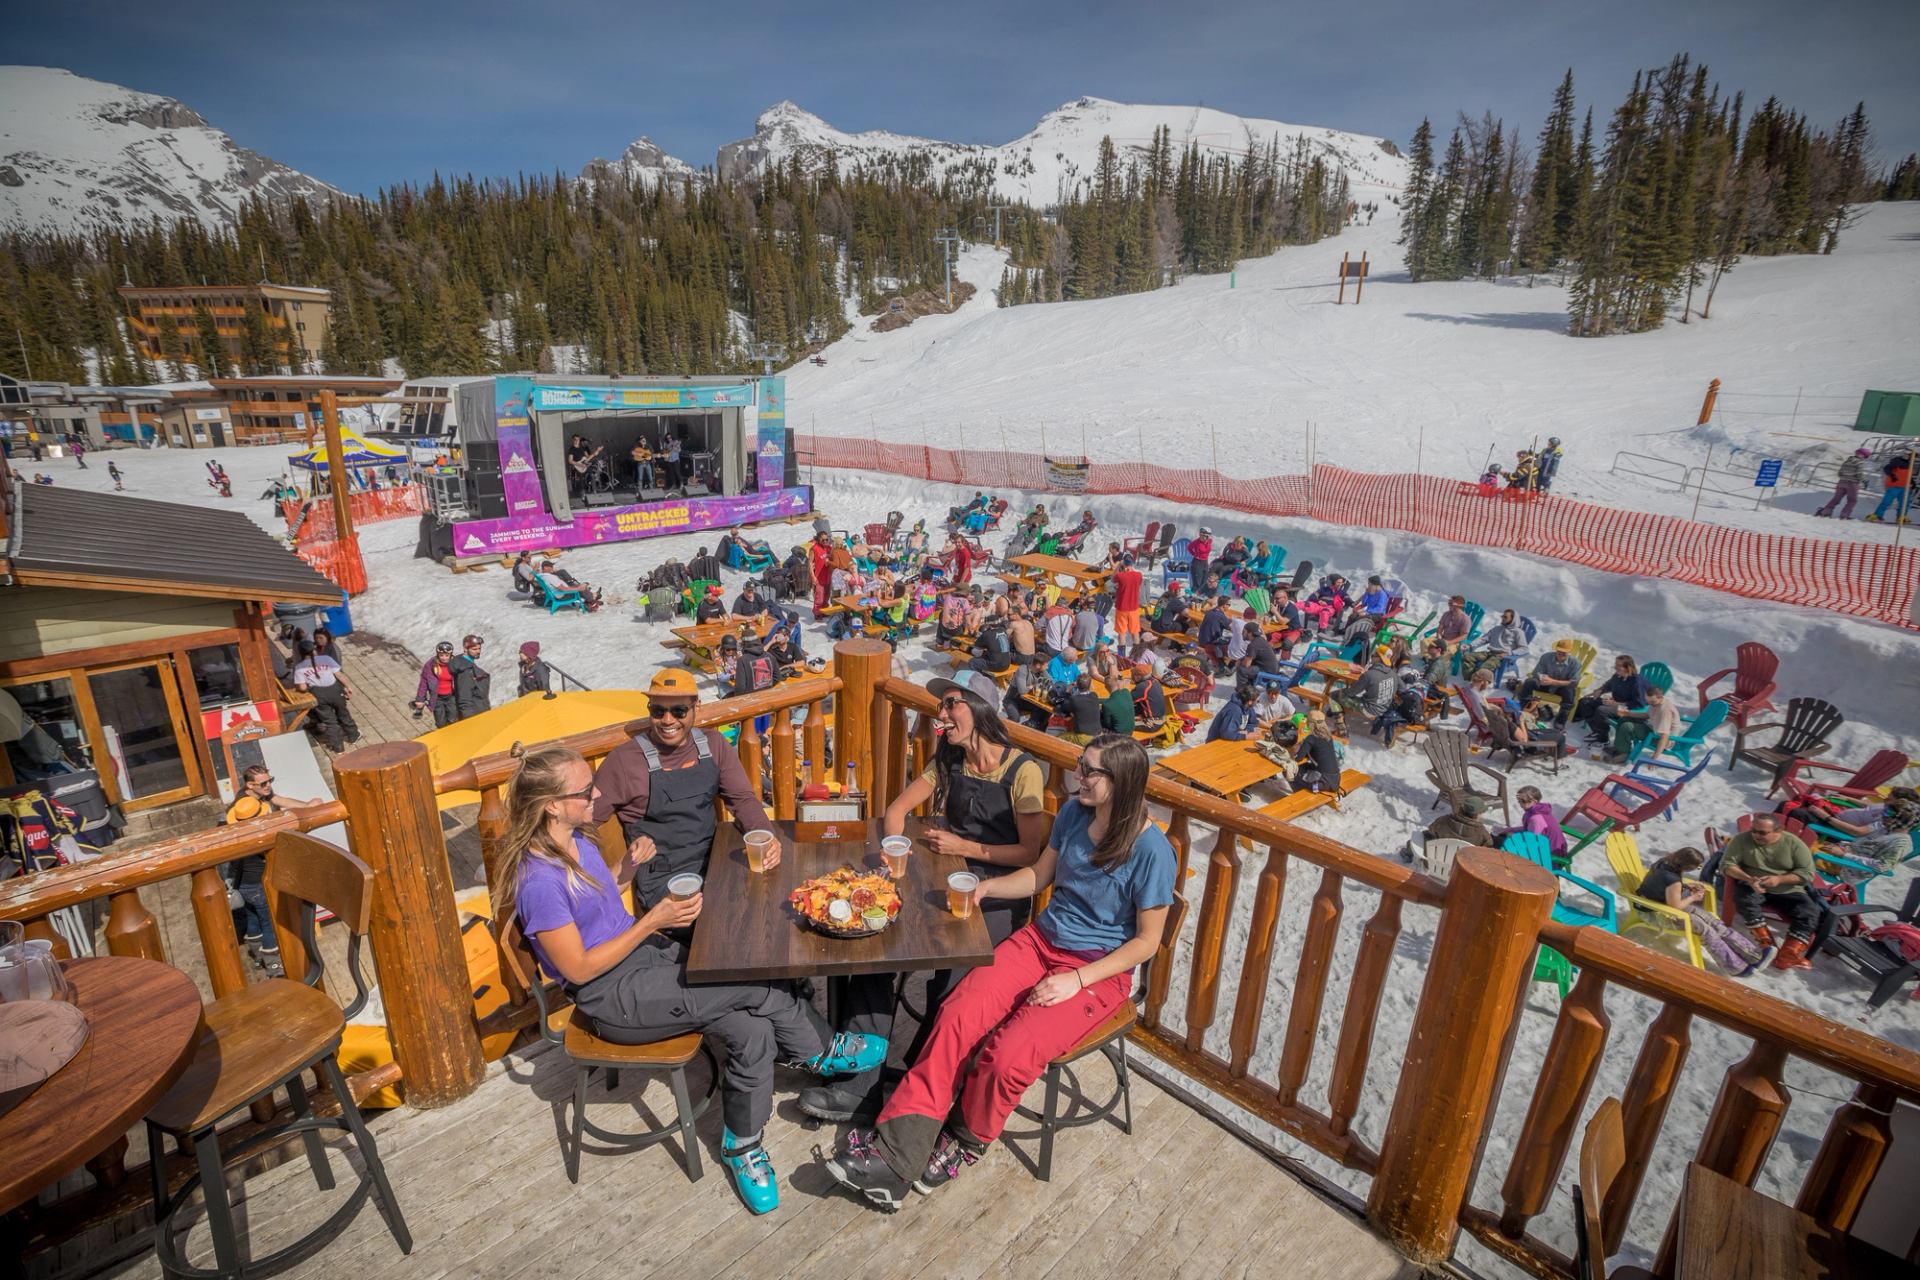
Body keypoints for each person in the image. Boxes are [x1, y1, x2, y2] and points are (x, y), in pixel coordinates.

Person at [503, 745, 881, 1213]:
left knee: (753, 1027)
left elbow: (597, 901)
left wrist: (629, 868)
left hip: (642, 959)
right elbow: (578, 969)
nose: (597, 794)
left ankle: (741, 1144)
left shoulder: (576, 841)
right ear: (551, 805)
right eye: (585, 790)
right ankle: (820, 1052)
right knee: (756, 982)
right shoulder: (539, 880)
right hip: (612, 995)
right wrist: (651, 921)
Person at [827, 735, 1174, 1208]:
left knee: (1007, 1055)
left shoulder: (1152, 850)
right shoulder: (1075, 814)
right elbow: (1038, 876)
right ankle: (895, 1154)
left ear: (1123, 783)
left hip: (1097, 972)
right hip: (1041, 941)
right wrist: (987, 890)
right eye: (1080, 763)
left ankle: (964, 1140)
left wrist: (1075, 980)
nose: (1078, 775)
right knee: (957, 1015)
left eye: (1090, 771)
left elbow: (1146, 942)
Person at [803, 681, 1050, 1124]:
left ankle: (915, 1085)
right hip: (943, 875)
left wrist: (964, 847)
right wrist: (894, 848)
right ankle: (862, 1075)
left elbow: (1030, 853)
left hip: (998, 890)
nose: (941, 714)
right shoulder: (950, 756)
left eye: (951, 704)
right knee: (877, 946)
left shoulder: (1022, 771)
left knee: (951, 981)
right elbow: (896, 810)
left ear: (980, 709)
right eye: (941, 705)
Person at [590, 668, 775, 910]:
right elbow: (583, 823)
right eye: (658, 711)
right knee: (732, 920)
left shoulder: (713, 744)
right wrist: (593, 880)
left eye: (679, 710)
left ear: (696, 707)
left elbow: (742, 799)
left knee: (771, 898)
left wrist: (766, 837)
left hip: (715, 862)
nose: (668, 720)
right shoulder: (625, 761)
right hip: (664, 880)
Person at [224, 764, 325, 974]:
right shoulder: (254, 814)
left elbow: (282, 801)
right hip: (258, 880)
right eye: (263, 783)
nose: (268, 786)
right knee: (269, 921)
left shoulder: (249, 803)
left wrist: (307, 805)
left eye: (270, 780)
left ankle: (257, 953)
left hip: (243, 880)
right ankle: (274, 964)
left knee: (252, 917)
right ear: (249, 785)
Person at [1635, 847, 1766, 973]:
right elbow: (1674, 907)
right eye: (1697, 867)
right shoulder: (1673, 880)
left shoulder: (1665, 862)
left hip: (1660, 905)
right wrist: (1694, 897)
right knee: (1706, 930)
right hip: (1655, 913)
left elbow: (1662, 885)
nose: (1698, 869)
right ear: (1687, 867)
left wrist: (1685, 885)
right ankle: (1735, 967)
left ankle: (1752, 954)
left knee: (1711, 920)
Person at [1718, 813, 1821, 968]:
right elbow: (1726, 865)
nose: (1756, 835)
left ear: (1778, 831)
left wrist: (1779, 879)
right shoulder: (1741, 839)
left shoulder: (1794, 844)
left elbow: (1807, 873)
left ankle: (1789, 954)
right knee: (1745, 900)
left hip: (1787, 888)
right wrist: (1748, 878)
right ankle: (1766, 943)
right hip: (1753, 883)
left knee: (1810, 912)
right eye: (1754, 830)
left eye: (1762, 832)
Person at [291, 639, 360, 752]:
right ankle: (354, 736)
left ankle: (338, 747)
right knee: (343, 714)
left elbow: (302, 688)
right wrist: (348, 686)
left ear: (301, 653)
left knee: (329, 721)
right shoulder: (326, 659)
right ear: (314, 650)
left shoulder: (299, 667)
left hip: (318, 694)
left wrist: (303, 687)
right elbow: (339, 675)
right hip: (335, 691)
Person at [1578, 655, 1647, 748]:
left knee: (1602, 710)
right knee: (1585, 702)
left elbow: (1639, 704)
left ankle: (1603, 739)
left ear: (1628, 667)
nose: (1616, 667)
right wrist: (1600, 690)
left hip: (1629, 710)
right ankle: (1598, 731)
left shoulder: (1637, 683)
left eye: (1619, 666)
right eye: (1616, 665)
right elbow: (1608, 685)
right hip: (1614, 703)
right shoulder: (1618, 676)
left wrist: (1617, 704)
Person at [1607, 682, 1680, 763]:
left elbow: (1664, 736)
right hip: (1653, 729)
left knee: (1627, 727)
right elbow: (1647, 715)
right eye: (1647, 701)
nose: (1649, 704)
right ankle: (1620, 747)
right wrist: (1628, 713)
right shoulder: (1657, 703)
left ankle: (1624, 754)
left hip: (1659, 740)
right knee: (1623, 719)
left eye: (1652, 702)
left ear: (1660, 697)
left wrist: (1655, 757)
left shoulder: (1664, 711)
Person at [1518, 638, 1582, 726]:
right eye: (1559, 651)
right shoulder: (1546, 657)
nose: (1561, 654)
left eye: (1564, 652)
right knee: (1530, 682)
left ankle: (1561, 719)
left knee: (1570, 691)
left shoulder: (1575, 663)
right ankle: (1525, 706)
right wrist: (1542, 678)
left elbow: (1574, 682)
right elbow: (1537, 672)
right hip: (1545, 684)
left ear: (1570, 651)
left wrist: (1553, 682)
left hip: (1560, 688)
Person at [1498, 785, 1568, 864]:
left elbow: (1532, 841)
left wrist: (1512, 835)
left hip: (1550, 855)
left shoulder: (1536, 819)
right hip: (1547, 847)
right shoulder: (1537, 811)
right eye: (1519, 801)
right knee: (1502, 838)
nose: (1520, 804)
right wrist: (1509, 830)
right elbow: (1528, 829)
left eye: (1524, 801)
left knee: (1502, 842)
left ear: (1534, 801)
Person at [412, 640, 463, 725]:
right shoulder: (431, 665)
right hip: (437, 698)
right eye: (441, 655)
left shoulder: (456, 665)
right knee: (440, 723)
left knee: (453, 720)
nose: (444, 658)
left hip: (451, 697)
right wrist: (420, 699)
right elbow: (423, 682)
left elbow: (463, 680)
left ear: (450, 655)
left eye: (447, 655)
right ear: (437, 654)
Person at [1816, 449, 1871, 519]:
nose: (1865, 458)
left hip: (1841, 482)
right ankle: (1844, 515)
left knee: (1836, 498)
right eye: (1865, 457)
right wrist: (1865, 481)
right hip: (1852, 484)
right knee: (1852, 500)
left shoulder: (1847, 461)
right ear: (1862, 455)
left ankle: (1826, 512)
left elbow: (1840, 473)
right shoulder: (1859, 463)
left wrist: (1845, 477)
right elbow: (1859, 474)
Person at [451, 634, 492, 719]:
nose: (478, 651)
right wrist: (471, 722)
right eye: (474, 649)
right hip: (476, 716)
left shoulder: (466, 665)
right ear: (465, 649)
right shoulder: (466, 671)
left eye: (479, 648)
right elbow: (464, 699)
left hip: (480, 713)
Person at [1865, 451, 1912, 523]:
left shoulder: (1910, 464)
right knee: (1887, 501)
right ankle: (1877, 515)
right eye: (1907, 455)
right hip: (1894, 486)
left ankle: (1901, 516)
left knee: (1905, 502)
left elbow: (1907, 475)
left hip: (1904, 486)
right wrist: (1892, 475)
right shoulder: (1896, 461)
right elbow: (1886, 468)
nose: (1908, 456)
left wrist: (1912, 481)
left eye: (1909, 455)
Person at [1062, 672, 1104, 743]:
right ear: (1090, 685)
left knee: (1058, 738)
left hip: (1084, 738)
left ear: (1077, 685)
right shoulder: (1094, 696)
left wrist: (1067, 691)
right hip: (1099, 735)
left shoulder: (1074, 699)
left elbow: (1065, 707)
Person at [809, 531, 833, 617]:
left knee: (827, 595)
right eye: (823, 540)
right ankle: (817, 613)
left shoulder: (829, 548)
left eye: (827, 539)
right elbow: (810, 564)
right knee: (819, 597)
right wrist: (813, 576)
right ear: (819, 539)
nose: (825, 541)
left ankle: (825, 610)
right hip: (819, 577)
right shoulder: (814, 549)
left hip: (828, 576)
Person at [1187, 527, 1214, 594]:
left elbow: (1208, 547)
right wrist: (1194, 554)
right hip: (1197, 562)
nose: (1201, 537)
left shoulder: (1209, 542)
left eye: (1204, 536)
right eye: (1201, 535)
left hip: (1205, 562)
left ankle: (1202, 595)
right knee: (1197, 581)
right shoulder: (1196, 542)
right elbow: (1189, 547)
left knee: (1204, 579)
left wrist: (1207, 542)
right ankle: (1194, 595)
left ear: (1207, 536)